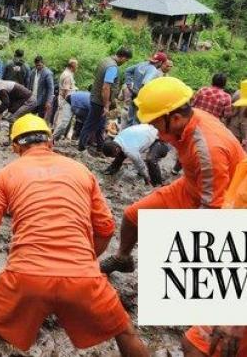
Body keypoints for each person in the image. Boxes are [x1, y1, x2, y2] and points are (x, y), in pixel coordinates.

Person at [0, 114, 148, 357]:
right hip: (82, 275)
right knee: (124, 331)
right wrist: (86, 260)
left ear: (16, 146)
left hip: (25, 274)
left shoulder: (6, 174)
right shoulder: (81, 170)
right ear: (50, 142)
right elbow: (106, 228)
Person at [100, 77, 246, 275]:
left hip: (223, 200)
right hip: (191, 185)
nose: (156, 134)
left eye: (156, 125)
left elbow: (212, 211)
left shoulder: (208, 149)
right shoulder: (188, 119)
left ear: (175, 118)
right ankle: (122, 258)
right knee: (132, 215)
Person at [78, 48, 132, 153]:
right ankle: (81, 147)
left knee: (101, 125)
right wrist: (106, 105)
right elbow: (106, 87)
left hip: (95, 97)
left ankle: (100, 148)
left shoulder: (105, 60)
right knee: (90, 124)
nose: (125, 63)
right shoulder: (112, 67)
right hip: (100, 101)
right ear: (123, 57)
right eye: (126, 60)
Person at [101, 124, 169, 186]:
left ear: (116, 150)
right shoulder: (117, 140)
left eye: (113, 156)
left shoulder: (130, 151)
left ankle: (158, 183)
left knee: (150, 159)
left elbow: (140, 164)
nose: (113, 157)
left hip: (160, 138)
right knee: (121, 153)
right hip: (148, 128)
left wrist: (146, 177)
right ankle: (113, 168)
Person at [124, 53, 171, 125]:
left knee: (130, 119)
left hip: (133, 94)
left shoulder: (143, 64)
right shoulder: (153, 70)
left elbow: (128, 70)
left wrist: (129, 84)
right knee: (137, 121)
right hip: (141, 98)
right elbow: (145, 83)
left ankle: (126, 134)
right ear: (161, 62)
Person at [0, 79, 36, 144]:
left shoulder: (1, 89)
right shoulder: (2, 83)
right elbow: (9, 101)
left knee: (12, 119)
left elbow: (6, 104)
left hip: (29, 101)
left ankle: (14, 140)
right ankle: (16, 139)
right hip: (24, 100)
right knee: (13, 117)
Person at [27, 55, 54, 122]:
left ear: (43, 63)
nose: (38, 67)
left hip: (42, 100)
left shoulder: (48, 73)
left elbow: (51, 88)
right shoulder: (33, 72)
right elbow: (29, 84)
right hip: (32, 98)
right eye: (36, 65)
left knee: (41, 118)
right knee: (30, 115)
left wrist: (49, 101)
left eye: (39, 65)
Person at [54, 59, 78, 128]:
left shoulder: (68, 73)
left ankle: (55, 131)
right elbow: (66, 90)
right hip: (65, 100)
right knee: (62, 118)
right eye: (76, 66)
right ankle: (56, 134)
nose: (77, 67)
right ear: (73, 66)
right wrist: (69, 102)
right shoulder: (67, 75)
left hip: (63, 99)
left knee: (59, 115)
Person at [228, 80, 247, 151]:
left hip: (232, 128)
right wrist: (245, 138)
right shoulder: (244, 100)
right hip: (240, 133)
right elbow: (244, 121)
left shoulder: (237, 93)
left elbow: (231, 112)